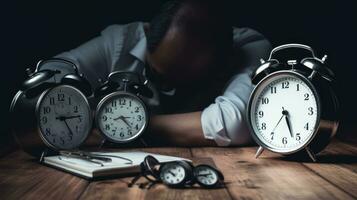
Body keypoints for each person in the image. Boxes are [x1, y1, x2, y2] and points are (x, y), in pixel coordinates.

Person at [43, 0, 271, 147]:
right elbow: (48, 76)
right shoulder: (119, 43)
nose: (169, 92)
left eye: (187, 85)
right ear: (147, 33)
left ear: (224, 63)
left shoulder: (249, 48)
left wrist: (120, 124)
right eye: (157, 76)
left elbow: (236, 123)